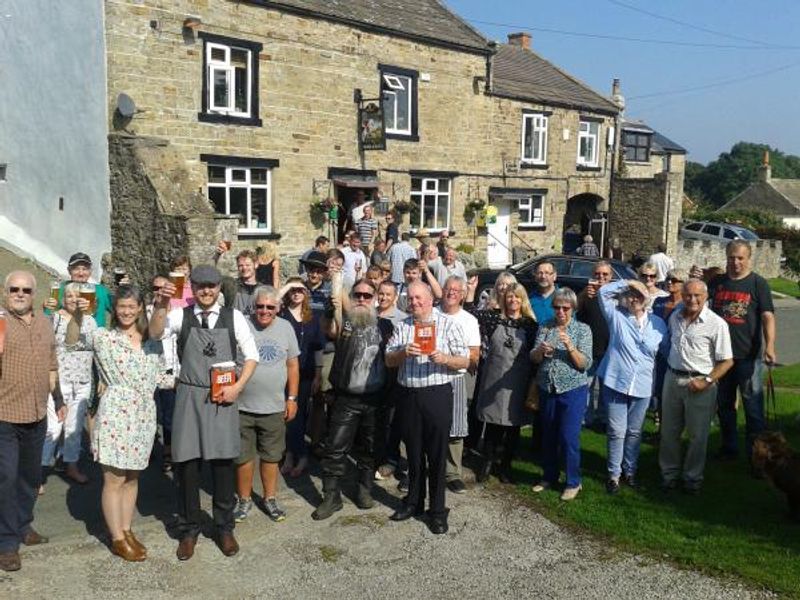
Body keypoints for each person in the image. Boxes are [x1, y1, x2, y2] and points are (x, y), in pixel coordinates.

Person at [149, 265, 258, 561]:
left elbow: (251, 357)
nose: (206, 291)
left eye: (211, 286)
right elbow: (155, 331)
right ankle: (188, 529)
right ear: (192, 288)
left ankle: (224, 527)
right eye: (200, 286)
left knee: (223, 464)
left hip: (223, 394)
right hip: (189, 393)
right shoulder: (179, 315)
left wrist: (238, 387)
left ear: (219, 287)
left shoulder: (233, 316)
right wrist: (160, 303)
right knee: (187, 465)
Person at [385, 281, 469, 534]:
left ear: (431, 298)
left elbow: (465, 359)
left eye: (419, 298)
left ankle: (438, 511)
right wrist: (403, 353)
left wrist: (445, 358)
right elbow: (389, 360)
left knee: (436, 454)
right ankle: (414, 502)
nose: (414, 303)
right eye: (410, 299)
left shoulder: (448, 324)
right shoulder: (403, 327)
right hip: (409, 394)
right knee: (413, 452)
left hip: (437, 393)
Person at [90, 286, 166, 561]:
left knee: (133, 476)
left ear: (139, 308)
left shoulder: (150, 341)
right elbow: (73, 340)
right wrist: (76, 313)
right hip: (116, 413)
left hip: (144, 415)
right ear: (114, 309)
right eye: (121, 306)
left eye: (131, 306)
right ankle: (117, 538)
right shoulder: (104, 338)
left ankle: (126, 528)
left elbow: (161, 375)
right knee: (114, 478)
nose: (126, 311)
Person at [312, 279, 394, 520]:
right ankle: (331, 497)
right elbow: (329, 329)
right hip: (346, 397)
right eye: (357, 295)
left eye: (367, 296)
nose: (361, 299)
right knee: (335, 448)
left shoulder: (387, 326)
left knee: (370, 448)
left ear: (375, 299)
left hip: (375, 398)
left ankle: (364, 490)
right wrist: (329, 309)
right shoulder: (345, 323)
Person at [0, 271, 63, 572]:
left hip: (37, 414)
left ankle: (24, 526)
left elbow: (52, 364)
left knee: (29, 478)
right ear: (5, 291)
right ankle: (6, 543)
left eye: (26, 289)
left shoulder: (44, 323)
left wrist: (60, 399)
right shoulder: (0, 322)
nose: (20, 293)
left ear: (34, 293)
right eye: (14, 289)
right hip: (4, 417)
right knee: (6, 479)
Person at [660, 279, 733, 493]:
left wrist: (707, 381)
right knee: (669, 431)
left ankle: (692, 478)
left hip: (700, 383)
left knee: (698, 435)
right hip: (673, 379)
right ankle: (669, 474)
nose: (692, 300)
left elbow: (727, 360)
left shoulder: (716, 324)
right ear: (683, 295)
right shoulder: (675, 316)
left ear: (706, 297)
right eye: (688, 295)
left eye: (697, 296)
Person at [234, 286, 300, 523]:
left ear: (278, 308)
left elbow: (293, 365)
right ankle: (243, 500)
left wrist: (292, 398)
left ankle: (269, 498)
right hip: (242, 405)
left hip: (273, 406)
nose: (264, 311)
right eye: (260, 306)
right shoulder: (242, 325)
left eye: (270, 307)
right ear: (253, 306)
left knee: (271, 456)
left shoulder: (286, 328)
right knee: (242, 457)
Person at [596, 279, 668, 494]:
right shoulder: (616, 316)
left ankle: (630, 471)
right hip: (616, 382)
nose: (635, 298)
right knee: (617, 431)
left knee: (635, 432)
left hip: (643, 385)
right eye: (631, 295)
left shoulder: (658, 324)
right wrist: (630, 282)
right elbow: (602, 293)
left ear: (647, 298)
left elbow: (666, 351)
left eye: (639, 295)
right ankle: (613, 475)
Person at [708, 240, 776, 461]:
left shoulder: (758, 284)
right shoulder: (718, 282)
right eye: (731, 257)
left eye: (740, 258)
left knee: (753, 410)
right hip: (722, 358)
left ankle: (756, 457)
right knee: (725, 407)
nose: (735, 262)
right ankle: (729, 449)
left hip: (748, 357)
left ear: (749, 258)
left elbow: (767, 316)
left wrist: (770, 346)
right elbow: (697, 301)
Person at [466, 279, 537, 484]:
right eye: (510, 296)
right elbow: (471, 315)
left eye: (517, 297)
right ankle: (486, 463)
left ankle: (505, 465)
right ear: (504, 299)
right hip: (494, 378)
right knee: (493, 424)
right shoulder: (493, 318)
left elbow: (534, 354)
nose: (513, 300)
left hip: (517, 382)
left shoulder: (530, 325)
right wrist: (471, 292)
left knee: (512, 427)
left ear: (522, 300)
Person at [531, 288, 592, 501]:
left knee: (568, 437)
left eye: (565, 308)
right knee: (548, 435)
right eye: (557, 307)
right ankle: (549, 476)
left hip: (573, 389)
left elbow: (584, 364)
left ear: (573, 309)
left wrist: (570, 347)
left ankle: (573, 481)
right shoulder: (546, 326)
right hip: (548, 387)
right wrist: (541, 351)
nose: (560, 312)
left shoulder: (583, 330)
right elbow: (534, 357)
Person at [41, 281, 98, 485]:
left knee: (74, 428)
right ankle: (40, 472)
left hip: (83, 380)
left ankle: (71, 466)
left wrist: (101, 377)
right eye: (70, 296)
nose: (74, 299)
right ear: (63, 299)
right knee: (54, 427)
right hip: (59, 380)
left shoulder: (91, 321)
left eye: (77, 295)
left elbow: (97, 351)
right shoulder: (55, 318)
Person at [436, 276, 481, 493]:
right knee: (429, 424)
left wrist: (451, 359)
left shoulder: (469, 320)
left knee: (456, 426)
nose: (452, 292)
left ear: (463, 294)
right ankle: (424, 466)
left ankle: (452, 472)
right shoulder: (431, 313)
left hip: (456, 377)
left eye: (456, 290)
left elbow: (474, 354)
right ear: (442, 290)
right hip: (430, 376)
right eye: (448, 288)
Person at [278, 279, 325, 479]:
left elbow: (317, 349)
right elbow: (271, 300)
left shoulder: (312, 318)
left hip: (305, 372)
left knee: (297, 415)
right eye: (293, 290)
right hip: (282, 372)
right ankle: (291, 454)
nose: (296, 294)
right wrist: (286, 288)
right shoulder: (280, 315)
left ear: (306, 294)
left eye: (300, 290)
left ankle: (299, 455)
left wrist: (318, 375)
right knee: (287, 416)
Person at [147, 275, 180, 473]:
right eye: (155, 287)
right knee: (150, 413)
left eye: (163, 287)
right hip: (151, 370)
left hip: (171, 369)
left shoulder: (177, 313)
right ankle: (148, 447)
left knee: (170, 416)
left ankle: (168, 452)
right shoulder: (145, 312)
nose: (159, 291)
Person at [576, 261, 613, 430]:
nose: (601, 278)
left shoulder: (615, 297)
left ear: (610, 277)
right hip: (589, 349)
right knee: (587, 386)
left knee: (606, 388)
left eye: (605, 274)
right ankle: (585, 418)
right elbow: (574, 310)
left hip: (609, 350)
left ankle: (604, 419)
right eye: (598, 274)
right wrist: (584, 294)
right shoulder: (587, 294)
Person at [44, 252, 113, 327]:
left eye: (85, 269)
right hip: (67, 335)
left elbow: (119, 308)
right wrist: (46, 306)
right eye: (76, 269)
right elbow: (47, 317)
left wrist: (123, 287)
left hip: (97, 336)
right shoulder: (61, 289)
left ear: (90, 271)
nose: (81, 273)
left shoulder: (100, 290)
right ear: (69, 270)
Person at [301, 251, 331, 318]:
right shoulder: (299, 289)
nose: (314, 275)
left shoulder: (330, 290)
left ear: (323, 273)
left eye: (319, 271)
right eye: (311, 270)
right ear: (306, 269)